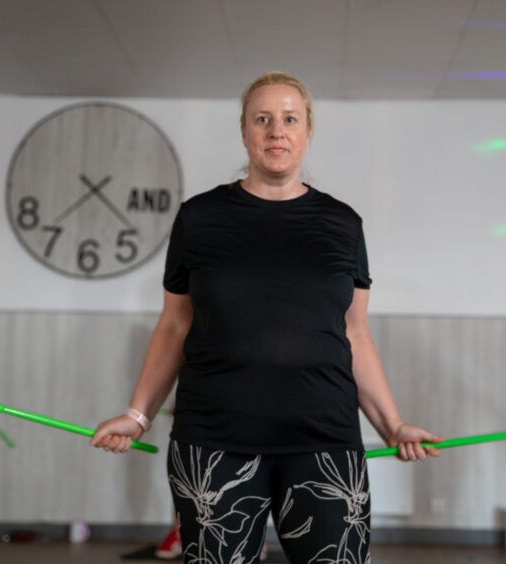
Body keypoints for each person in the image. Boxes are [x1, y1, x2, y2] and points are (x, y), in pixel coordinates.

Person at [92, 72, 441, 563]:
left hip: (324, 441)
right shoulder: (199, 218)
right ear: (244, 131)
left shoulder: (343, 224)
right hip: (215, 443)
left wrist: (393, 425)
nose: (276, 130)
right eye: (263, 119)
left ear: (307, 131)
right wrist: (137, 415)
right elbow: (174, 325)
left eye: (289, 119)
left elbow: (354, 334)